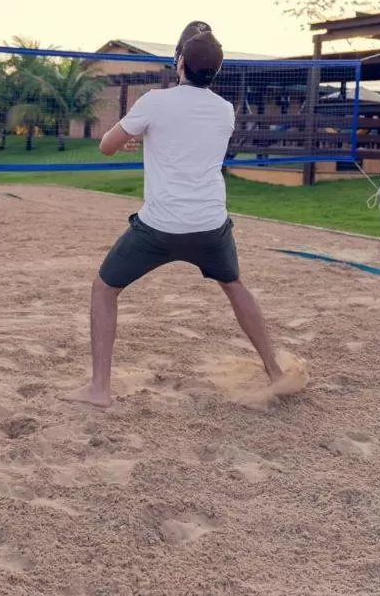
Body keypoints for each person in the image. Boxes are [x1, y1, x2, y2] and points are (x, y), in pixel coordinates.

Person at [69, 21, 304, 408]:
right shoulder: (225, 110)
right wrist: (148, 135)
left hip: (159, 227)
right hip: (211, 225)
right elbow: (186, 142)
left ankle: (99, 389)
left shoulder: (154, 101)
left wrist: (136, 133)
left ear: (179, 63)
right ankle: (275, 372)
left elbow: (106, 147)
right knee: (235, 286)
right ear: (217, 71)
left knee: (104, 289)